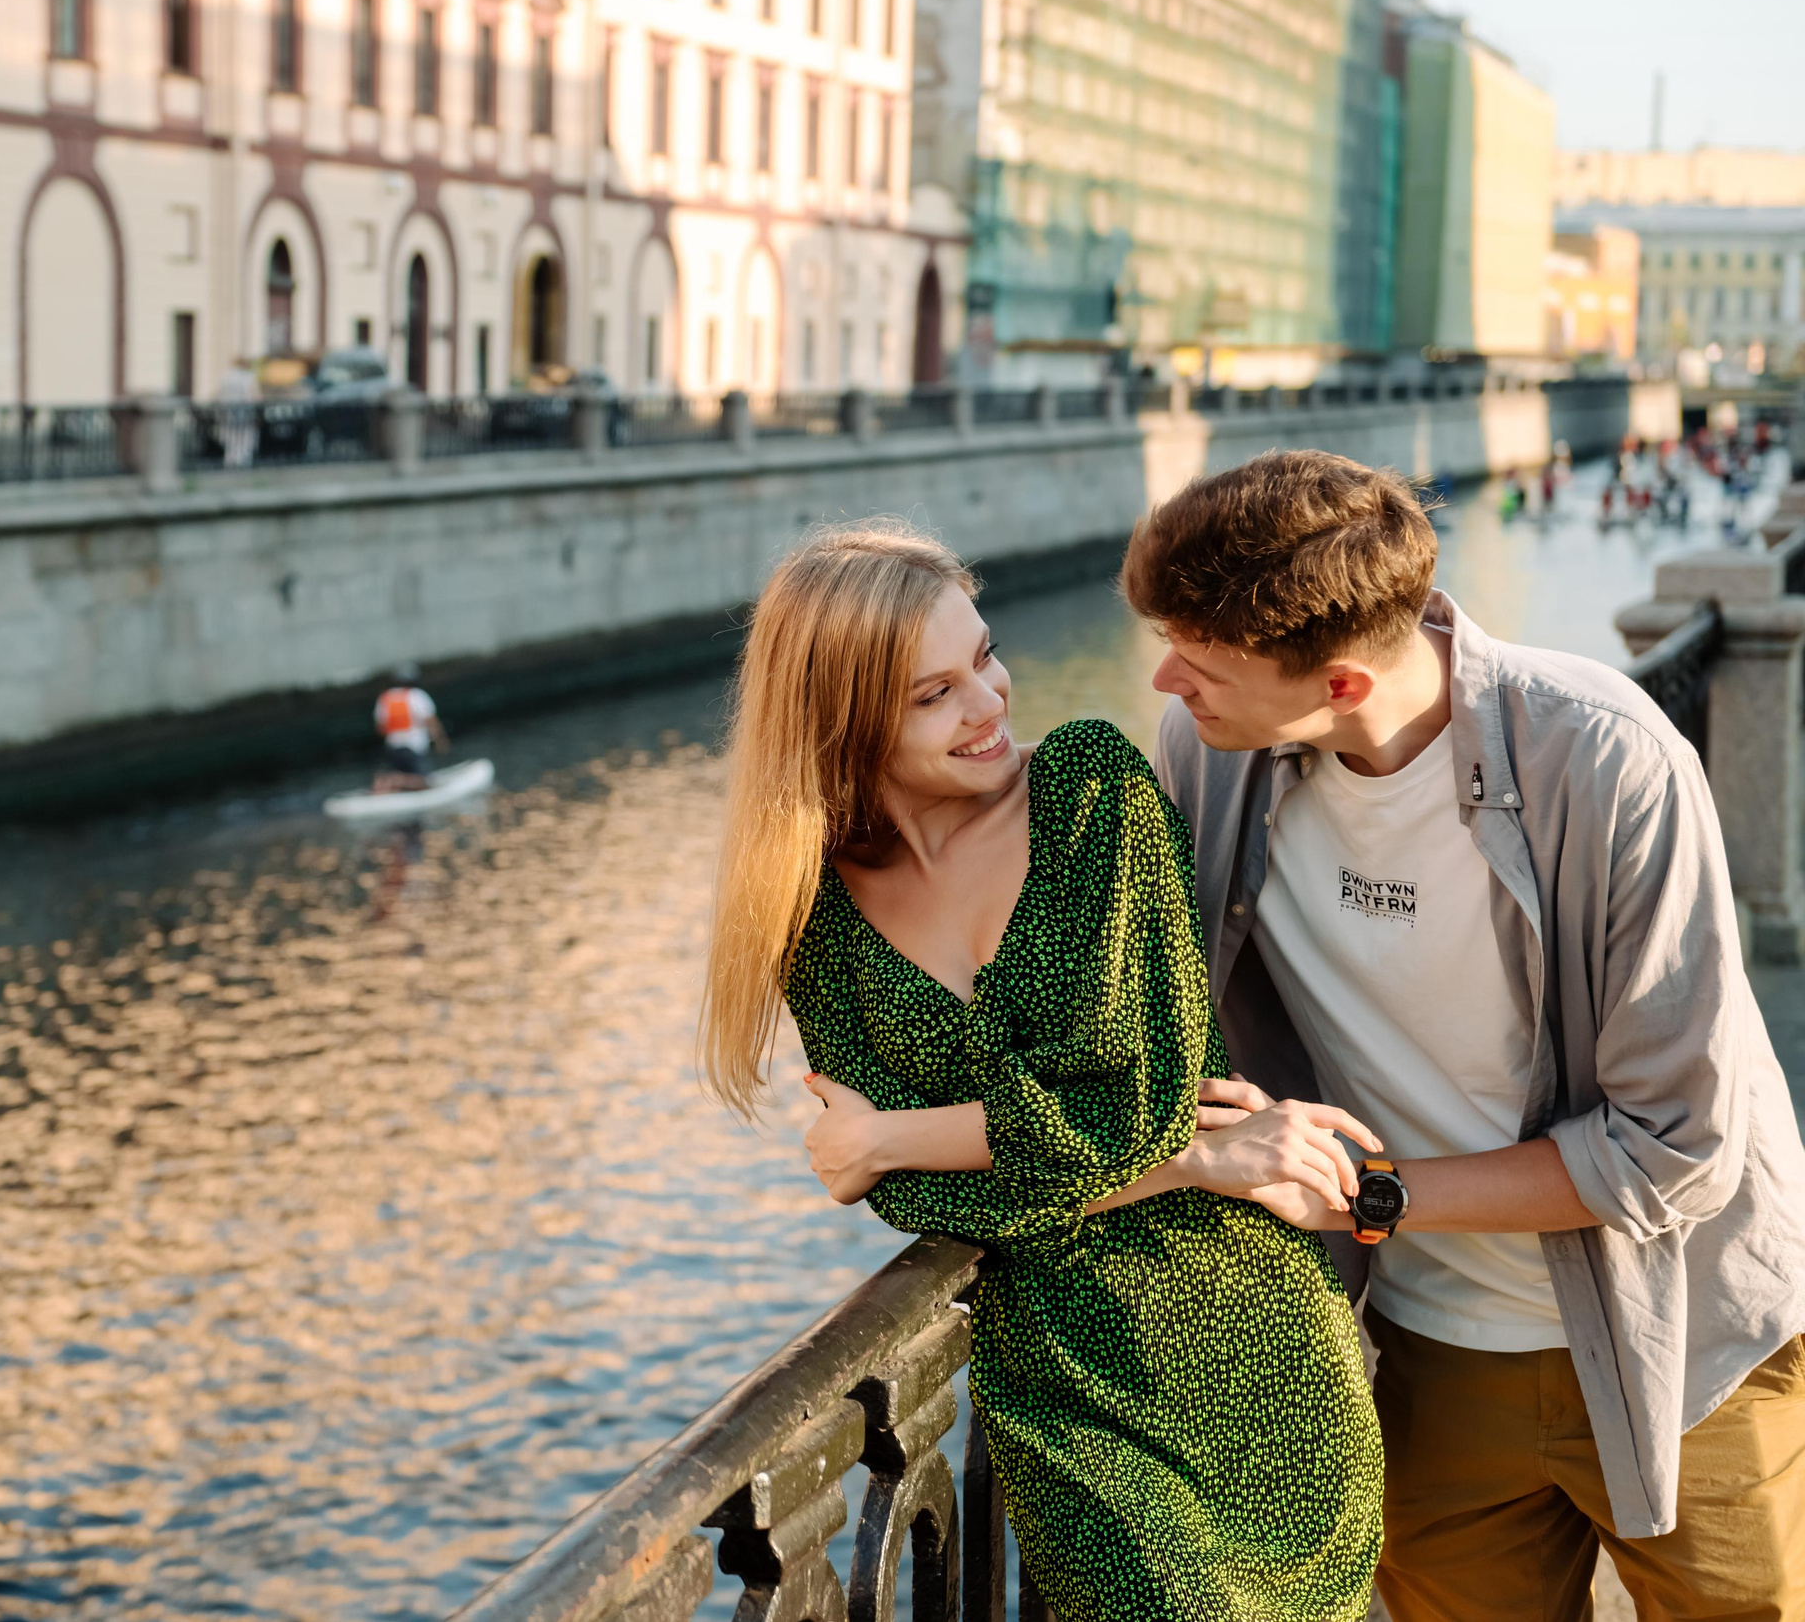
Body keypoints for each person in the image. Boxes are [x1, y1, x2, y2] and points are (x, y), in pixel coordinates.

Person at [1124, 450, 1805, 1622]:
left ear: (1340, 682)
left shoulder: (1606, 762)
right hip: (1431, 1348)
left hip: (1688, 1338)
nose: (1163, 677)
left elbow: (1674, 1146)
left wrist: (1365, 1196)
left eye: (1198, 657)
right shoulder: (1208, 754)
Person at [699, 521, 1383, 1621]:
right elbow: (925, 1202)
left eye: (983, 654)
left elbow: (1129, 1105)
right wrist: (1192, 1158)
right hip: (1061, 1393)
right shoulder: (813, 924)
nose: (989, 701)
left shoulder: (1089, 794)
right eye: (933, 693)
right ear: (840, 719)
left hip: (1249, 1348)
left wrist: (892, 1134)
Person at [371, 666, 449, 792]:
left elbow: (380, 728)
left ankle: (394, 782)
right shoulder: (417, 695)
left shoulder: (384, 698)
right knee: (423, 782)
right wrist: (440, 741)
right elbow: (431, 721)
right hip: (414, 747)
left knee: (406, 779)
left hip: (393, 748)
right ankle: (394, 780)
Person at [215, 356, 260, 468]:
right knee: (244, 438)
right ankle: (242, 461)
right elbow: (254, 396)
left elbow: (219, 395)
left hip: (227, 413)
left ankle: (230, 460)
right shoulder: (249, 377)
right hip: (244, 412)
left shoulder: (226, 377)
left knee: (231, 439)